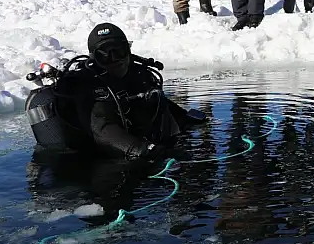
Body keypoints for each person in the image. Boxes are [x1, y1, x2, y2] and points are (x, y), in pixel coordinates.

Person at [24, 23, 205, 160]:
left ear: (128, 50)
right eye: (105, 54)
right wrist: (144, 150)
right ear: (95, 58)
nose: (115, 60)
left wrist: (184, 117)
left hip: (136, 149)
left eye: (119, 51)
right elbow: (102, 130)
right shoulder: (88, 86)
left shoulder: (138, 73)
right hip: (93, 162)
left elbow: (157, 99)